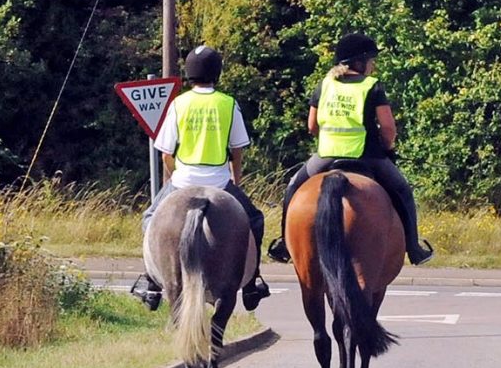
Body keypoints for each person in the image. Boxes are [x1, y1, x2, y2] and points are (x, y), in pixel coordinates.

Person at [266, 32, 434, 265]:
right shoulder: (372, 86)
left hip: (326, 155)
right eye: (371, 61)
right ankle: (414, 249)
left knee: (293, 186)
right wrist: (387, 147)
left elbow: (312, 125)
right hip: (367, 156)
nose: (373, 66)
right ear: (359, 62)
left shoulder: (325, 85)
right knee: (403, 191)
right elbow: (388, 128)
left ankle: (284, 244)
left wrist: (330, 140)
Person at [130, 45, 271, 311]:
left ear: (189, 73)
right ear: (217, 73)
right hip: (219, 182)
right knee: (255, 220)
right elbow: (237, 150)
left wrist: (174, 176)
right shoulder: (228, 104)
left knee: (150, 218)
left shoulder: (178, 104)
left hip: (182, 181)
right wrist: (235, 181)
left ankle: (150, 283)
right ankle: (253, 282)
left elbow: (166, 154)